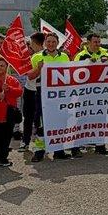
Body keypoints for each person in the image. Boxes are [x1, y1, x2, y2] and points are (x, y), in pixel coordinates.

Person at [28, 33, 72, 162]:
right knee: (41, 122)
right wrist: (38, 68)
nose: (51, 44)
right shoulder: (37, 57)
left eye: (53, 42)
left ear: (57, 43)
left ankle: (59, 150)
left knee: (60, 121)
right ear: (44, 43)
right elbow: (30, 76)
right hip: (42, 93)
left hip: (61, 94)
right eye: (49, 42)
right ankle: (39, 151)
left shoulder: (64, 56)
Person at [21, 32, 45, 151]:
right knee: (30, 117)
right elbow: (30, 76)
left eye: (30, 43)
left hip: (39, 91)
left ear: (35, 43)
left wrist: (38, 69)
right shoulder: (35, 56)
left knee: (36, 118)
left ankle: (32, 141)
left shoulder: (37, 56)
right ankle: (26, 140)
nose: (29, 46)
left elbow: (30, 75)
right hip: (31, 89)